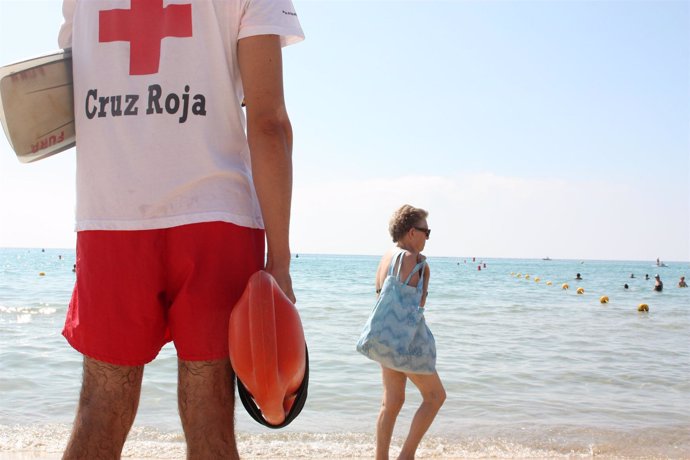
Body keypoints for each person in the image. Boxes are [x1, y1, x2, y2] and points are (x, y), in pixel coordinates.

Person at [57, 1, 304, 458]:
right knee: (210, 417)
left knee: (101, 409)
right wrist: (281, 263)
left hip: (112, 217)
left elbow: (67, 91)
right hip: (216, 221)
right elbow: (269, 123)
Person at [372, 205, 446, 460]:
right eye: (427, 231)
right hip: (404, 342)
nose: (428, 237)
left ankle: (381, 457)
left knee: (391, 402)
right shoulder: (413, 261)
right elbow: (415, 307)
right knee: (435, 396)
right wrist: (425, 276)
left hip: (383, 338)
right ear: (413, 232)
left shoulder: (387, 257)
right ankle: (407, 455)